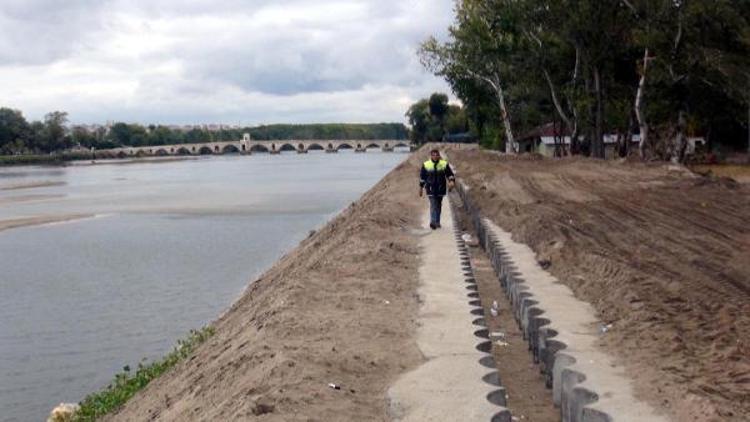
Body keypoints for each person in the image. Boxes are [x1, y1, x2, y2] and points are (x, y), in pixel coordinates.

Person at [419, 149, 456, 229]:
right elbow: (422, 178)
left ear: (439, 156)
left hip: (440, 188)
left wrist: (452, 181)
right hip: (430, 188)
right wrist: (421, 188)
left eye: (437, 155)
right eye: (433, 155)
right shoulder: (426, 165)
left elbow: (450, 174)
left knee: (438, 205)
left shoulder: (444, 164)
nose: (435, 157)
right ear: (431, 156)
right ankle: (433, 222)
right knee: (433, 204)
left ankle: (437, 222)